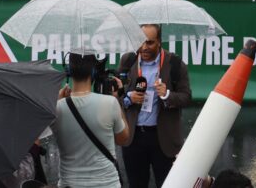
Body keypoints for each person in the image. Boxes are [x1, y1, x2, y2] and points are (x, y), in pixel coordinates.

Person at [120, 24, 192, 188]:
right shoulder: (128, 60)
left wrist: (167, 95)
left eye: (150, 43)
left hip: (164, 140)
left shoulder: (175, 64)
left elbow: (186, 98)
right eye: (140, 41)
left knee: (167, 184)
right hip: (133, 138)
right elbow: (116, 94)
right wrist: (128, 98)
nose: (144, 47)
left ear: (159, 41)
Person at [52, 53, 130, 188]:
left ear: (68, 72)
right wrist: (117, 99)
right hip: (106, 184)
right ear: (94, 72)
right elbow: (123, 139)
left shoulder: (56, 107)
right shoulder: (110, 103)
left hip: (69, 184)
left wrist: (58, 102)